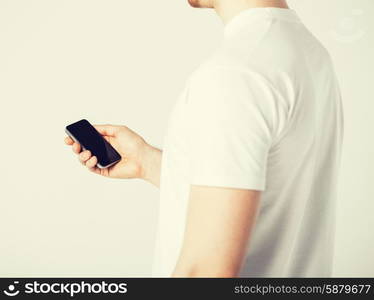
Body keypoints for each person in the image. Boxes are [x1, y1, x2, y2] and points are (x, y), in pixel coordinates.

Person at [64, 0, 344, 277]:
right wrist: (147, 163)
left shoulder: (234, 75)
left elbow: (205, 271)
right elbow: (272, 190)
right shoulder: (309, 52)